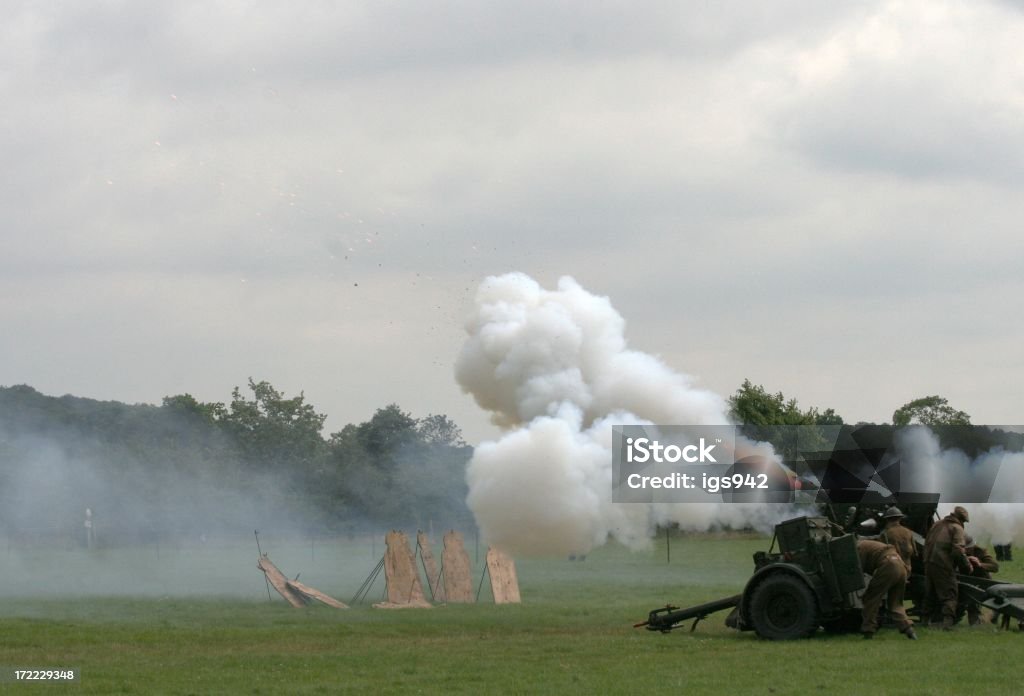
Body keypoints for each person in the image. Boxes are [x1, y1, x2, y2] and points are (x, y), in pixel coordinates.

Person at [857, 539, 918, 640]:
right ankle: (909, 630)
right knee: (896, 603)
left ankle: (868, 631)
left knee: (871, 598)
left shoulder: (859, 547)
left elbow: (858, 568)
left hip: (888, 565)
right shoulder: (870, 544)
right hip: (900, 566)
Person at [923, 506, 971, 629]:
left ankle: (925, 620)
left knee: (930, 592)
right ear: (961, 519)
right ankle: (947, 623)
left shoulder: (937, 524)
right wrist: (967, 566)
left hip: (928, 562)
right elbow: (958, 551)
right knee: (950, 593)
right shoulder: (957, 528)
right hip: (943, 564)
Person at [960, 535, 999, 625]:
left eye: (968, 549)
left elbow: (995, 566)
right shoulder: (957, 551)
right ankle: (975, 622)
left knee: (991, 598)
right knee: (971, 603)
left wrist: (980, 564)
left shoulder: (980, 551)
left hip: (982, 579)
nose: (966, 551)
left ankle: (994, 615)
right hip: (965, 580)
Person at [879, 506, 915, 573]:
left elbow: (882, 553)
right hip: (907, 569)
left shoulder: (885, 534)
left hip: (893, 569)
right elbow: (914, 553)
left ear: (887, 519)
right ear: (900, 518)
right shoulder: (908, 531)